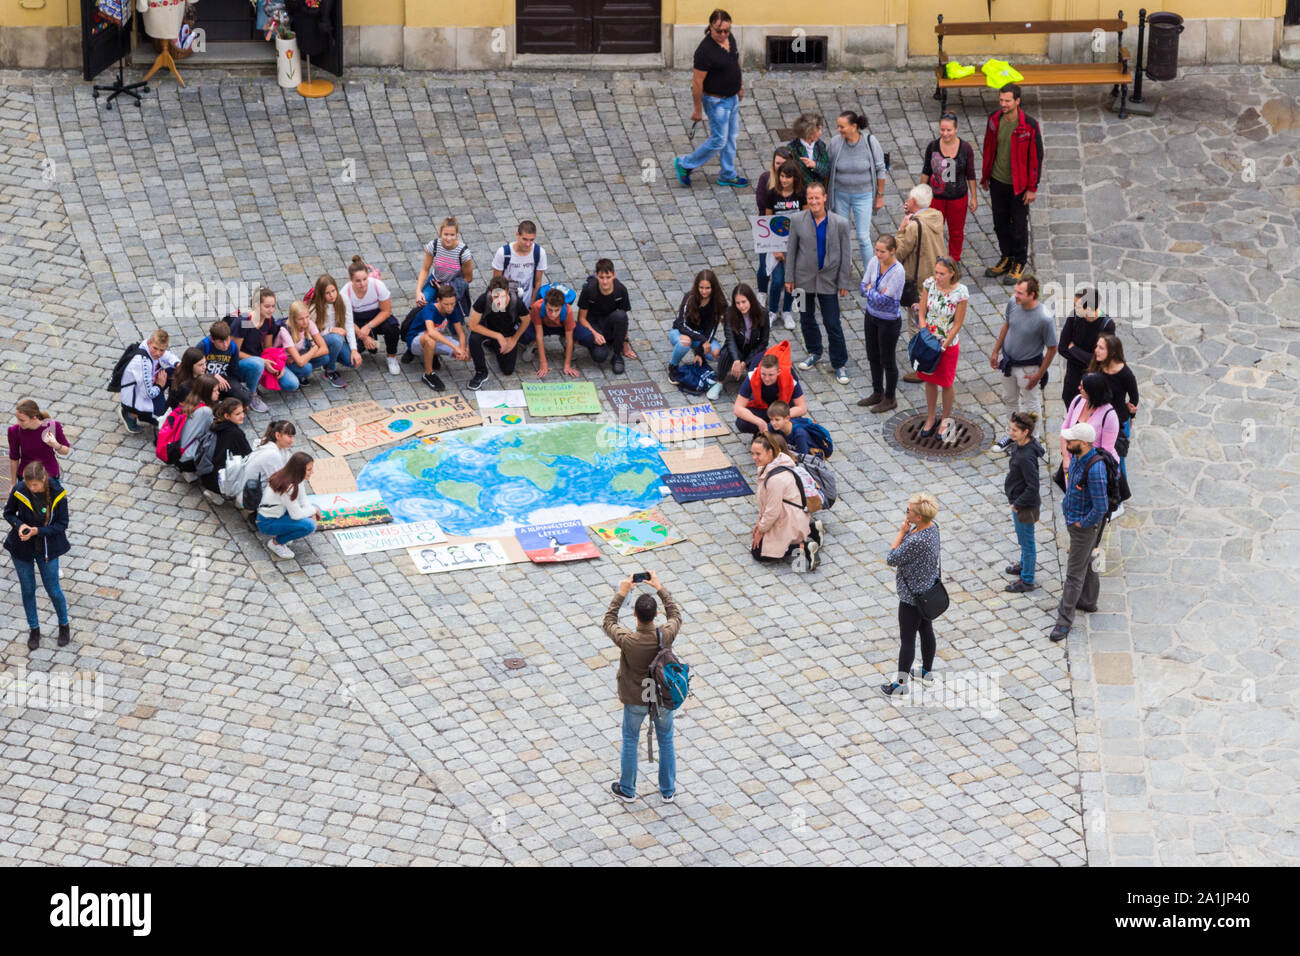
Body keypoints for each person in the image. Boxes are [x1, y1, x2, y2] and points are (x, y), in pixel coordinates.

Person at [602, 571, 682, 803]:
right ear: (656, 614)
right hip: (662, 697)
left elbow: (608, 621)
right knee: (666, 740)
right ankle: (667, 790)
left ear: (635, 615)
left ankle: (627, 789)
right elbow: (676, 614)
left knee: (630, 739)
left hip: (636, 698)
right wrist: (659, 588)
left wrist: (622, 593)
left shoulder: (627, 640)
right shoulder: (665, 635)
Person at [785, 182, 854, 384]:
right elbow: (792, 251)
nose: (814, 201)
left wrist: (843, 282)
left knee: (832, 322)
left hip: (829, 281)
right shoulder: (797, 220)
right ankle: (814, 350)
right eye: (810, 198)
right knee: (805, 318)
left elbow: (845, 254)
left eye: (817, 197)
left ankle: (839, 363)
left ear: (825, 198)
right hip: (802, 280)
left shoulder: (840, 223)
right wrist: (789, 278)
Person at [674, 9, 747, 189]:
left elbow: (736, 61)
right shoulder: (704, 51)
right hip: (716, 102)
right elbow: (697, 82)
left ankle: (727, 174)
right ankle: (685, 164)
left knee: (731, 137)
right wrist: (697, 109)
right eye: (718, 31)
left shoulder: (730, 39)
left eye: (726, 31)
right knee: (719, 140)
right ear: (710, 28)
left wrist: (740, 86)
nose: (723, 35)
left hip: (732, 98)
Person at [980, 83, 1044, 285]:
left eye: (1007, 100)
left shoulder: (1029, 126)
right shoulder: (994, 119)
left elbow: (1036, 158)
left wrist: (1032, 188)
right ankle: (1006, 256)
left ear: (1017, 101)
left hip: (1019, 185)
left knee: (1018, 225)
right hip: (998, 180)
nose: (1003, 104)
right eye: (1001, 100)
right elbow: (989, 146)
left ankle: (1019, 261)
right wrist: (986, 175)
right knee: (999, 223)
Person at [1050, 422, 1107, 642]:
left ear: (1083, 443)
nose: (1067, 442)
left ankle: (1064, 621)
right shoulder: (1076, 457)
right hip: (1075, 521)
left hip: (1083, 526)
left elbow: (1100, 507)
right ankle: (1089, 601)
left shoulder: (1095, 469)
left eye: (1071, 440)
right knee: (1087, 560)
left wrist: (1083, 524)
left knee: (1074, 574)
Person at [5, 461, 71, 650]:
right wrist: (19, 525)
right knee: (28, 589)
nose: (32, 488)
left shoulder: (58, 493)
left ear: (43, 479)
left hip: (47, 549)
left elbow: (61, 524)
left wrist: (37, 532)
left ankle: (64, 625)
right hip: (22, 549)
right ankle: (34, 629)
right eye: (29, 485)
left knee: (53, 589)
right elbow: (9, 513)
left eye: (35, 485)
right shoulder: (20, 490)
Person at [881, 492, 941, 697]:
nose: (906, 512)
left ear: (918, 517)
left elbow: (891, 558)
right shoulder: (934, 529)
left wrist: (900, 533)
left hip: (911, 598)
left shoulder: (916, 540)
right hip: (927, 593)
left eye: (909, 511)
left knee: (907, 640)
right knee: (926, 630)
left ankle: (900, 685)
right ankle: (926, 673)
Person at [990, 275, 1057, 451]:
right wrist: (996, 350)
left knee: (1031, 404)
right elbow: (1007, 324)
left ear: (1032, 294)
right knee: (1010, 400)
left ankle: (1032, 441)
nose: (1015, 295)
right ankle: (1011, 434)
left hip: (1029, 368)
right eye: (1015, 292)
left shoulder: (1045, 319)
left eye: (1020, 293)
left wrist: (1039, 374)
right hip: (1009, 364)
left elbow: (1052, 348)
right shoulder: (1014, 303)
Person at [915, 257, 969, 440]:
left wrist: (943, 345)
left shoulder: (960, 293)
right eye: (936, 272)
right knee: (929, 379)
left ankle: (945, 419)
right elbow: (922, 313)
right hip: (929, 341)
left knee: (946, 382)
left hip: (947, 345)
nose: (937, 276)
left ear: (951, 273)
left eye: (942, 273)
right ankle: (931, 417)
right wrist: (924, 334)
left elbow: (957, 324)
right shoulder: (929, 284)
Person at [826, 110, 887, 269]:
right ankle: (845, 267)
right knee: (842, 235)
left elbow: (880, 169)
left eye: (842, 127)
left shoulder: (870, 141)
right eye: (838, 126)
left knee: (863, 236)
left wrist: (879, 196)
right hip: (840, 195)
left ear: (854, 126)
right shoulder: (835, 143)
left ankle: (869, 272)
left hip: (864, 195)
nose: (839, 130)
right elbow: (828, 168)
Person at [749, 431, 816, 570]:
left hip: (789, 519)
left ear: (770, 452)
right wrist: (759, 524)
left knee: (759, 553)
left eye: (758, 454)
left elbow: (773, 511)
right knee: (758, 544)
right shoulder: (775, 464)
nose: (754, 458)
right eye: (753, 453)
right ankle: (813, 530)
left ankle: (801, 547)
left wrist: (761, 530)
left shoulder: (775, 479)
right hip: (790, 515)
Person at [920, 111, 978, 262]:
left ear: (956, 129)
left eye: (949, 130)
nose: (945, 133)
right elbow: (926, 171)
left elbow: (970, 174)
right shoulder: (932, 146)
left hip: (958, 198)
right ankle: (936, 258)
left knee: (956, 232)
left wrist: (974, 197)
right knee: (934, 231)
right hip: (936, 197)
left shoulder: (965, 149)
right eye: (942, 130)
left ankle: (954, 261)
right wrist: (920, 194)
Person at [857, 235, 906, 413]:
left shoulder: (898, 271)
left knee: (887, 359)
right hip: (871, 316)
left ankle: (890, 397)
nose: (878, 254)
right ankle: (877, 392)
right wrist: (872, 291)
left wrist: (871, 290)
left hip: (888, 321)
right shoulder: (873, 262)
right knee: (872, 356)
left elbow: (887, 301)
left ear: (892, 251)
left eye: (882, 251)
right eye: (877, 250)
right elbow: (863, 286)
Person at [229, 288, 297, 408]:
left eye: (273, 306)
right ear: (256, 305)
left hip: (261, 361)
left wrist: (276, 364)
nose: (271, 310)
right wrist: (262, 362)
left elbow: (268, 347)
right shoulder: (245, 322)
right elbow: (235, 352)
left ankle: (257, 377)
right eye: (267, 306)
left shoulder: (269, 321)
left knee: (292, 384)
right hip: (241, 364)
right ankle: (252, 393)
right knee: (257, 363)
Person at [760, 157, 807, 331]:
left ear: (795, 178)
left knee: (792, 279)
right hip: (777, 244)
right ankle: (772, 311)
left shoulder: (801, 194)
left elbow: (805, 220)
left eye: (788, 177)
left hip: (795, 246)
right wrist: (774, 247)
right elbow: (767, 220)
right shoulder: (772, 194)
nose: (784, 180)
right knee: (778, 279)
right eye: (782, 176)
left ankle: (787, 311)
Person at [1088, 332, 1139, 491]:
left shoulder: (1125, 374)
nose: (1097, 350)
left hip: (1118, 422)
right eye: (1097, 346)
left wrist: (1131, 415)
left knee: (1118, 460)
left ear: (1112, 352)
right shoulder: (1097, 366)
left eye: (1101, 348)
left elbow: (1134, 398)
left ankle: (1120, 493)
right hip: (1098, 419)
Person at [1003, 412, 1044, 593]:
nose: (1011, 433)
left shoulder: (1027, 457)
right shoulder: (1020, 445)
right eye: (1010, 429)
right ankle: (1023, 565)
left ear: (1025, 432)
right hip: (1018, 502)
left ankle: (1027, 580)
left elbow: (1033, 486)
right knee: (1022, 539)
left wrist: (1017, 504)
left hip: (1024, 507)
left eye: (1015, 430)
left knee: (1027, 542)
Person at [466, 276, 530, 391]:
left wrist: (514, 340)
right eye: (496, 297)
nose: (499, 301)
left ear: (507, 293)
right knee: (473, 339)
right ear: (491, 293)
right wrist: (498, 336)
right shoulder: (483, 300)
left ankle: (494, 345)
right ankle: (481, 372)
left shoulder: (517, 303)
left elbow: (526, 320)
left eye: (503, 296)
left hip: (508, 333)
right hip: (488, 329)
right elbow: (473, 325)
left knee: (508, 370)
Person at [894, 184, 947, 323]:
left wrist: (901, 229)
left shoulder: (913, 226)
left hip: (919, 282)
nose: (907, 200)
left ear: (914, 202)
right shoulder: (937, 215)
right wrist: (911, 216)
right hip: (937, 275)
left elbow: (898, 253)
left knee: (916, 325)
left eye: (909, 198)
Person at [755, 146, 795, 322]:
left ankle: (785, 309)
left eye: (784, 164)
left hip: (789, 235)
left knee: (785, 275)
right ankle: (762, 292)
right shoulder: (766, 179)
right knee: (765, 266)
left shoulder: (797, 189)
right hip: (768, 230)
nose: (780, 168)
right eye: (777, 164)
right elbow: (763, 206)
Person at [1058, 288, 1117, 409]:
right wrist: (1089, 358)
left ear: (1089, 309)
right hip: (1072, 380)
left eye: (1077, 306)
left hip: (1092, 384)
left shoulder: (1107, 326)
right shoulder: (1074, 316)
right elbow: (1062, 348)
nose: (1074, 309)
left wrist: (1074, 350)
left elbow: (1102, 360)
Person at [711, 283, 770, 401]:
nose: (741, 306)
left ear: (751, 300)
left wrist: (744, 362)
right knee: (726, 351)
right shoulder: (729, 314)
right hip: (736, 349)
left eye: (744, 302)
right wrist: (737, 360)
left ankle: (754, 384)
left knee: (763, 357)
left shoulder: (763, 314)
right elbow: (730, 339)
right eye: (738, 303)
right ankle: (720, 381)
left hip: (752, 350)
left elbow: (763, 342)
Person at [341, 257, 399, 375]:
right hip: (356, 322)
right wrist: (363, 336)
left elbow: (386, 311)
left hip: (376, 319)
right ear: (351, 280)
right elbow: (345, 320)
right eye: (358, 281)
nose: (362, 284)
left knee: (392, 327)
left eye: (364, 279)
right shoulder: (344, 293)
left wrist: (368, 327)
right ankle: (366, 343)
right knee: (358, 348)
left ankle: (391, 357)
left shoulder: (378, 286)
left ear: (368, 276)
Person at [575, 259, 634, 374]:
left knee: (620, 316)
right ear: (597, 276)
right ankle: (599, 343)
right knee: (599, 356)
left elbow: (624, 320)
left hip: (610, 322)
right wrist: (594, 334)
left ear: (614, 275)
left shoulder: (621, 290)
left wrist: (625, 346)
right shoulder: (589, 290)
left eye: (608, 277)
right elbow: (581, 318)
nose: (605, 281)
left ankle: (617, 355)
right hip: (593, 324)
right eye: (602, 277)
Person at [257, 451, 319, 560]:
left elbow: (304, 500)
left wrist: (313, 511)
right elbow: (296, 515)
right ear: (299, 470)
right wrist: (313, 511)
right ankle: (276, 543)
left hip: (279, 512)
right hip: (267, 522)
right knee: (309, 526)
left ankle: (287, 531)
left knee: (312, 509)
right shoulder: (289, 487)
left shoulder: (294, 478)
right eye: (309, 470)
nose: (312, 472)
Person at [407, 284, 470, 391]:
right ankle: (428, 374)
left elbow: (461, 333)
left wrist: (462, 349)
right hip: (416, 340)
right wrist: (455, 347)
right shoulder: (430, 309)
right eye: (446, 304)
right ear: (438, 300)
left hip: (436, 338)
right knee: (430, 339)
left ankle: (433, 355)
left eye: (452, 304)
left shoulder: (452, 309)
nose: (450, 307)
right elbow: (431, 332)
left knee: (467, 355)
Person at [118, 329, 179, 433]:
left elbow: (168, 356)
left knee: (177, 372)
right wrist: (159, 385)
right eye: (155, 348)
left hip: (152, 383)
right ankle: (130, 413)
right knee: (161, 414)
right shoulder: (142, 362)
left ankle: (173, 404)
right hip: (138, 394)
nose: (158, 353)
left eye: (162, 350)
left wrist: (178, 364)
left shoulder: (150, 347)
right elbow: (148, 394)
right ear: (149, 342)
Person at [668, 269, 723, 383]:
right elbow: (680, 324)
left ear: (713, 288)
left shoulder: (718, 302)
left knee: (717, 354)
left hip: (701, 336)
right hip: (681, 333)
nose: (704, 291)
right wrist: (702, 340)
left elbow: (711, 330)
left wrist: (699, 351)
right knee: (685, 342)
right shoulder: (690, 297)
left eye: (707, 288)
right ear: (697, 287)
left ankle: (700, 358)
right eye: (701, 287)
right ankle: (673, 367)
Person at [309, 274, 363, 387]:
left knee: (353, 362)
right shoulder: (314, 308)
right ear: (321, 294)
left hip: (335, 339)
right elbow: (313, 334)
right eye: (327, 293)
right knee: (336, 338)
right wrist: (331, 330)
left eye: (333, 291)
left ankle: (331, 356)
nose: (332, 295)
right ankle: (330, 370)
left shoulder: (343, 299)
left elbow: (349, 325)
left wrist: (354, 350)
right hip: (320, 340)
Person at [734, 351, 806, 435]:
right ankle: (761, 433)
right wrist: (758, 421)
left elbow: (802, 408)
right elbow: (738, 408)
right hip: (762, 408)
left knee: (794, 424)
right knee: (742, 423)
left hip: (783, 409)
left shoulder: (789, 378)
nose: (767, 379)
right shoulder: (752, 376)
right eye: (763, 374)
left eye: (771, 375)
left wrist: (779, 417)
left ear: (778, 372)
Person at [415, 216, 474, 317]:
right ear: (440, 232)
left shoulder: (463, 253)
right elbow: (425, 269)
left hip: (452, 287)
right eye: (446, 234)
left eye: (452, 235)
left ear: (457, 235)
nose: (448, 238)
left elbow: (468, 278)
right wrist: (418, 291)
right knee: (422, 304)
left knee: (453, 323)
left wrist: (447, 288)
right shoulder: (433, 246)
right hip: (436, 280)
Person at [1061, 373, 1120, 471]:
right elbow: (1065, 428)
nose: (1079, 388)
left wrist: (1084, 470)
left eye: (1082, 387)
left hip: (1094, 467)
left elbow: (1106, 451)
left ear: (1092, 392)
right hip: (1073, 461)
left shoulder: (1109, 416)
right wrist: (1066, 458)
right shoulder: (1078, 400)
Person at [199, 397, 252, 506]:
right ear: (227, 416)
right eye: (237, 414)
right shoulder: (236, 433)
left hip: (207, 473)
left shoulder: (215, 425)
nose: (242, 416)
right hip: (220, 480)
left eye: (242, 412)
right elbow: (249, 455)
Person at [527, 283, 585, 379]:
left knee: (586, 337)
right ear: (545, 304)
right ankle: (533, 344)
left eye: (556, 310)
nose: (553, 314)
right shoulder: (537, 307)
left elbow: (569, 339)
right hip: (544, 325)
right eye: (550, 310)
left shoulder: (568, 311)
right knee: (524, 335)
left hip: (561, 326)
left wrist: (567, 364)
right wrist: (543, 363)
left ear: (562, 307)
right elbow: (539, 334)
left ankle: (563, 341)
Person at [10, 400, 70, 488]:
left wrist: (55, 444)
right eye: (17, 418)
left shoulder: (52, 426)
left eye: (22, 420)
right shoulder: (14, 431)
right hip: (26, 478)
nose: (18, 423)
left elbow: (65, 451)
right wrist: (13, 483)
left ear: (34, 418)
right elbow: (14, 458)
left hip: (49, 477)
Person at [195, 321, 256, 405]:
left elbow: (233, 372)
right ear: (212, 339)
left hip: (224, 379)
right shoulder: (203, 346)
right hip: (206, 380)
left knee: (244, 398)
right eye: (221, 342)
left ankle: (223, 399)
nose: (225, 345)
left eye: (227, 340)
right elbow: (194, 372)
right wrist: (214, 376)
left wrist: (236, 388)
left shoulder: (233, 347)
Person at [274, 301, 332, 389]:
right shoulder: (284, 330)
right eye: (301, 319)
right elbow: (300, 362)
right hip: (282, 361)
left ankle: (298, 373)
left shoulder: (308, 322)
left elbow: (325, 349)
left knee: (325, 358)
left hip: (294, 357)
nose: (305, 321)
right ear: (293, 319)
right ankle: (284, 377)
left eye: (307, 317)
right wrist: (313, 350)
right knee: (297, 380)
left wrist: (299, 358)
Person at [491, 220, 548, 310]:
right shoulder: (503, 253)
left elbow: (538, 282)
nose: (528, 244)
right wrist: (500, 307)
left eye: (531, 240)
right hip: (505, 302)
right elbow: (496, 283)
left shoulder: (539, 253)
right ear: (517, 235)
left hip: (526, 302)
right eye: (525, 239)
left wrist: (531, 306)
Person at [241, 420, 296, 513]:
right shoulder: (272, 454)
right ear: (278, 435)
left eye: (293, 437)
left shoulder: (270, 444)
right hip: (249, 496)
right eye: (289, 436)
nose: (292, 440)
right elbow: (279, 483)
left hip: (248, 489)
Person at [175, 374, 220, 480]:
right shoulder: (206, 411)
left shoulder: (192, 401)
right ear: (206, 392)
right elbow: (211, 432)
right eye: (215, 390)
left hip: (179, 452)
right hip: (188, 458)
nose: (218, 393)